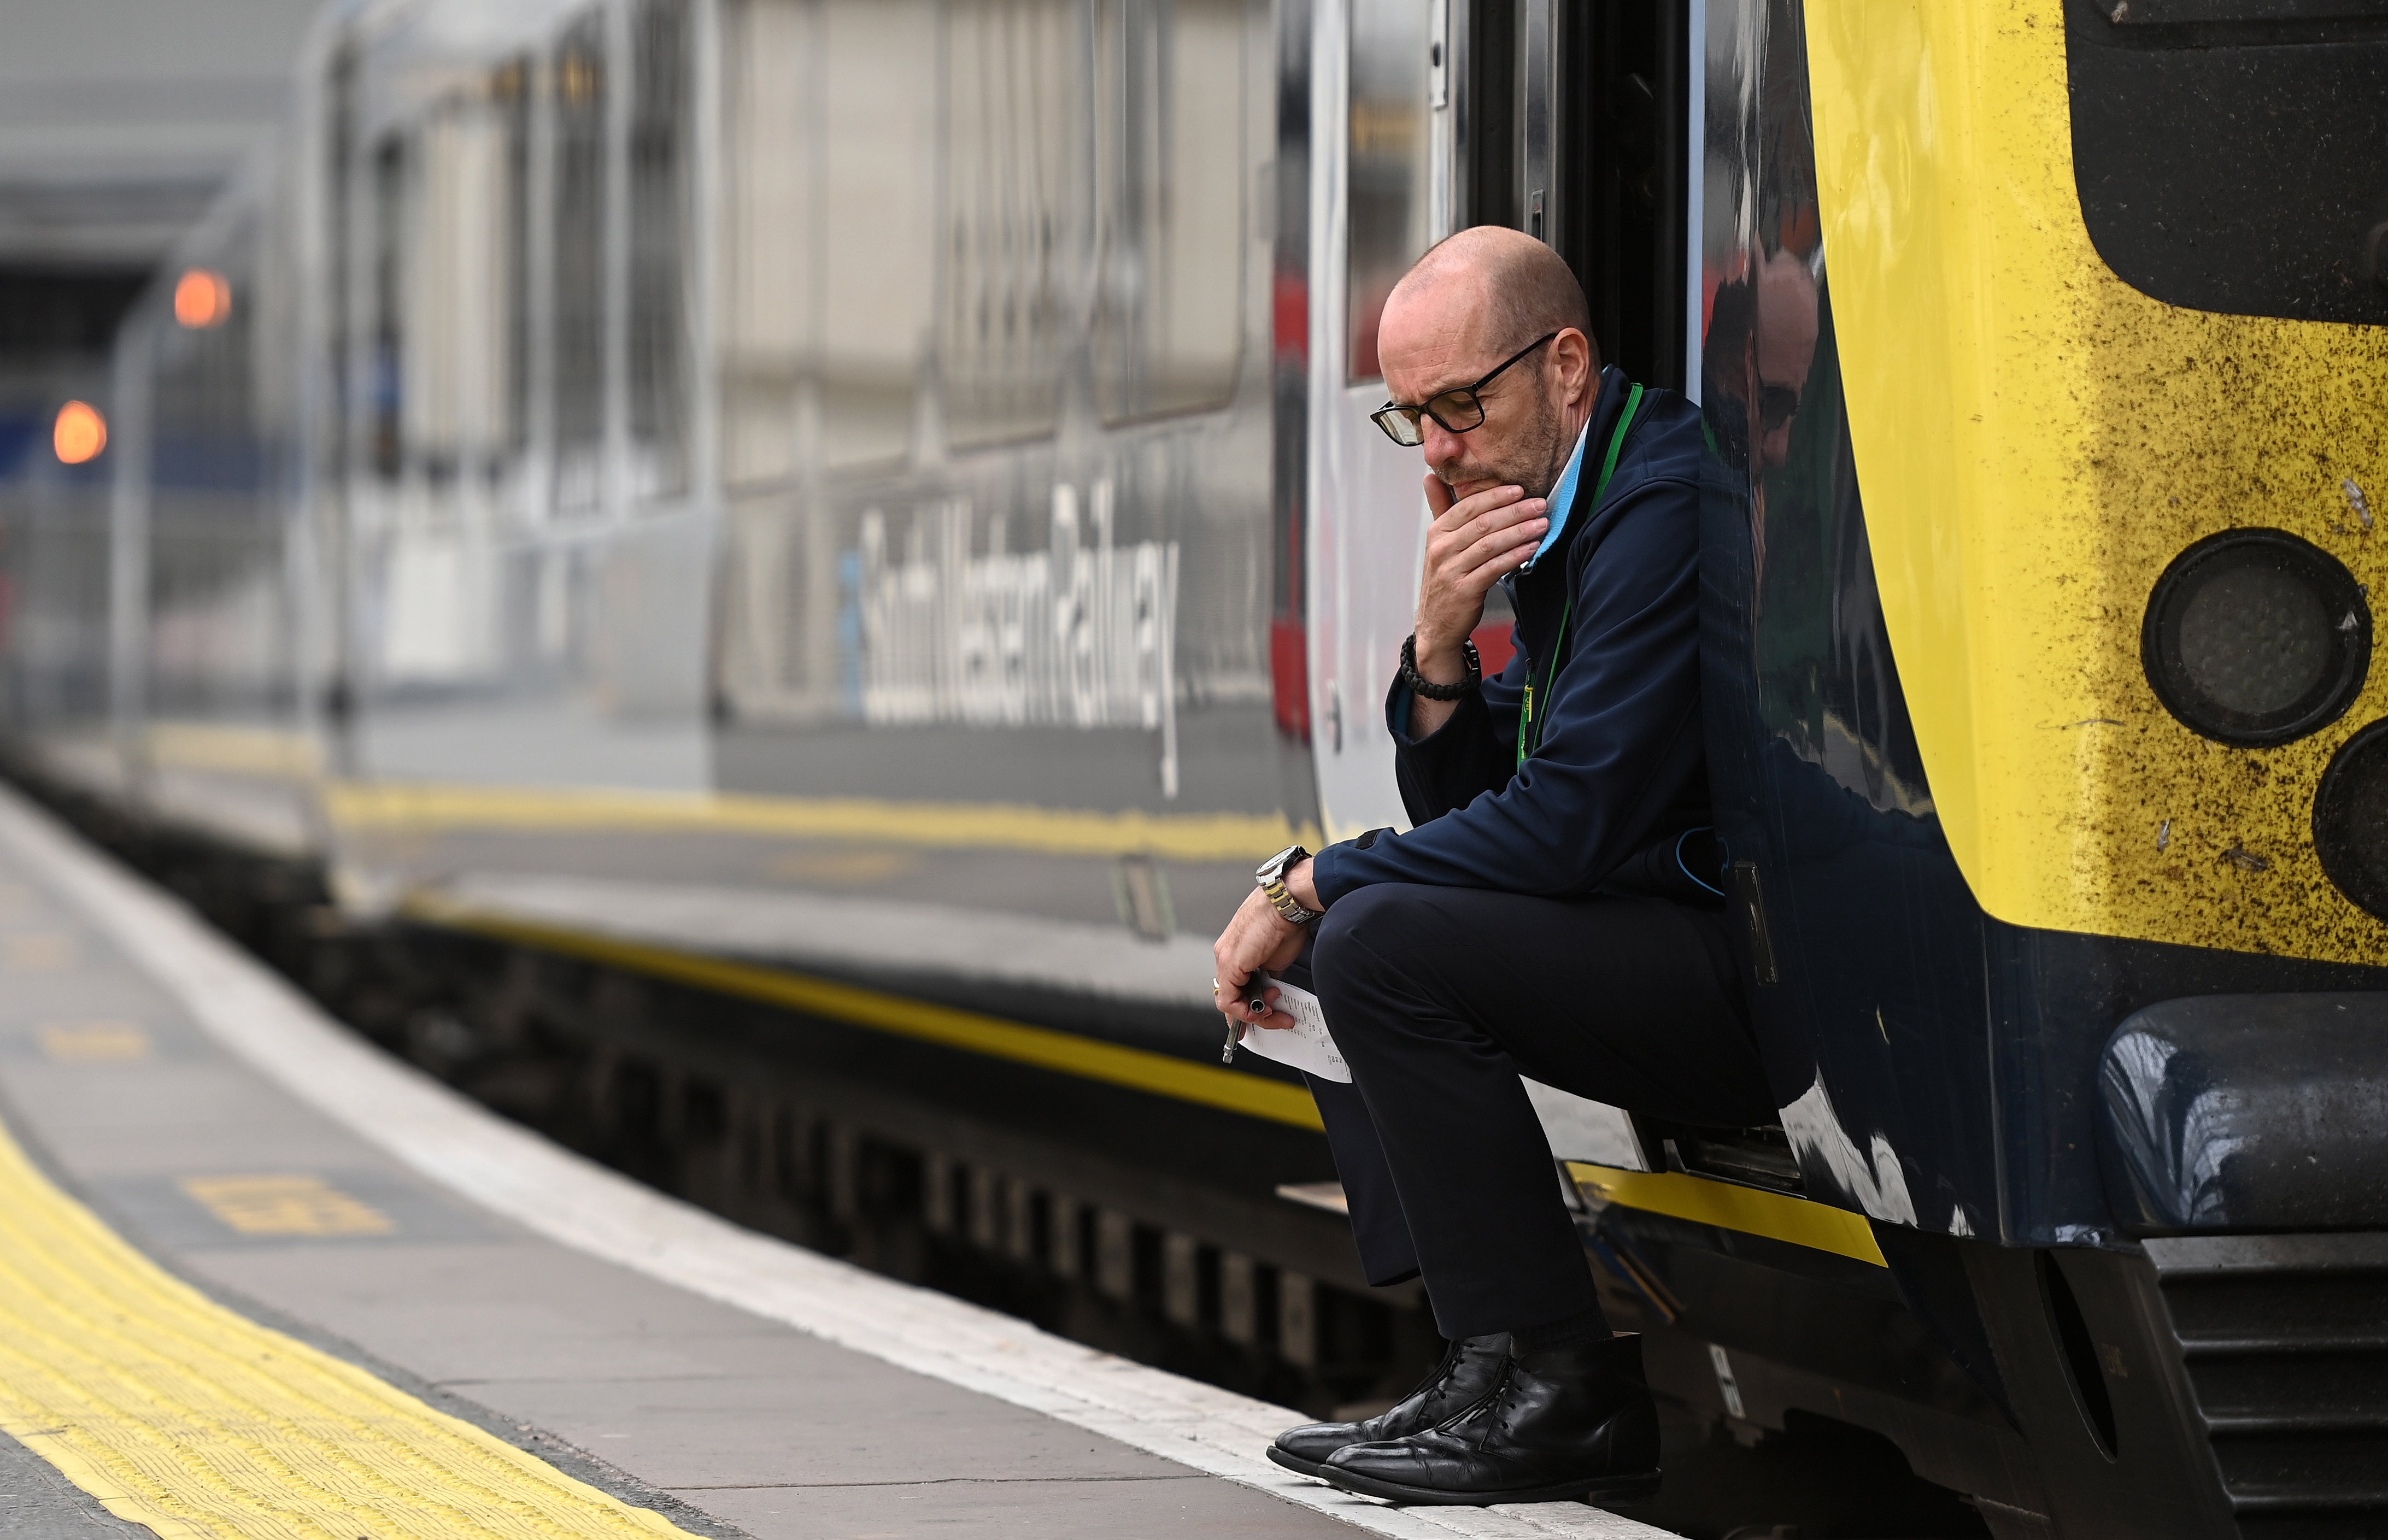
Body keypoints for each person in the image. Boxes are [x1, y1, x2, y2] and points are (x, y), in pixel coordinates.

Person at [1211, 226, 1774, 1506]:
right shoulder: (1565, 511)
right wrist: (1443, 647)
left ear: (1566, 365)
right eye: (1413, 419)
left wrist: (1306, 881)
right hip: (1649, 936)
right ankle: (1489, 1364)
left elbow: (1562, 826)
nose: (1444, 448)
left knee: (1373, 935)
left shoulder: (1657, 502)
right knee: (1375, 919)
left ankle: (1558, 1383)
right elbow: (1485, 813)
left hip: (1751, 977)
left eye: (1461, 403)